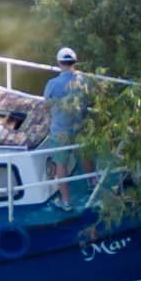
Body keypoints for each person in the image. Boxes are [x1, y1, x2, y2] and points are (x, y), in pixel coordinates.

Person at [43, 46, 89, 209]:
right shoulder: (84, 80)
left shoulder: (53, 84)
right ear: (75, 62)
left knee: (60, 164)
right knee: (84, 154)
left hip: (60, 131)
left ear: (59, 63)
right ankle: (93, 182)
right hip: (80, 127)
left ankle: (66, 201)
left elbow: (46, 106)